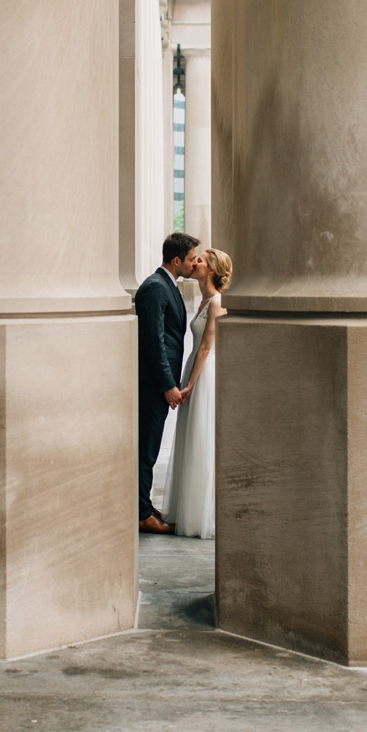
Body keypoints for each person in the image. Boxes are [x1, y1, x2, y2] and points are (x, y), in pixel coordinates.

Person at [161, 247, 233, 539]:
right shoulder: (203, 299)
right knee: (190, 436)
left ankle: (202, 512)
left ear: (212, 269)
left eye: (200, 260)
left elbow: (206, 347)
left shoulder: (216, 302)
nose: (194, 263)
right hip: (194, 366)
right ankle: (186, 507)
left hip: (204, 371)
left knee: (202, 436)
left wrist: (189, 383)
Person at [134, 231, 200, 533]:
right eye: (190, 259)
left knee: (150, 446)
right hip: (152, 385)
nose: (194, 263)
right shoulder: (155, 288)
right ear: (176, 260)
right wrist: (167, 385)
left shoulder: (167, 285)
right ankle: (141, 514)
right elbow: (153, 342)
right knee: (146, 448)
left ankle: (143, 505)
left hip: (158, 384)